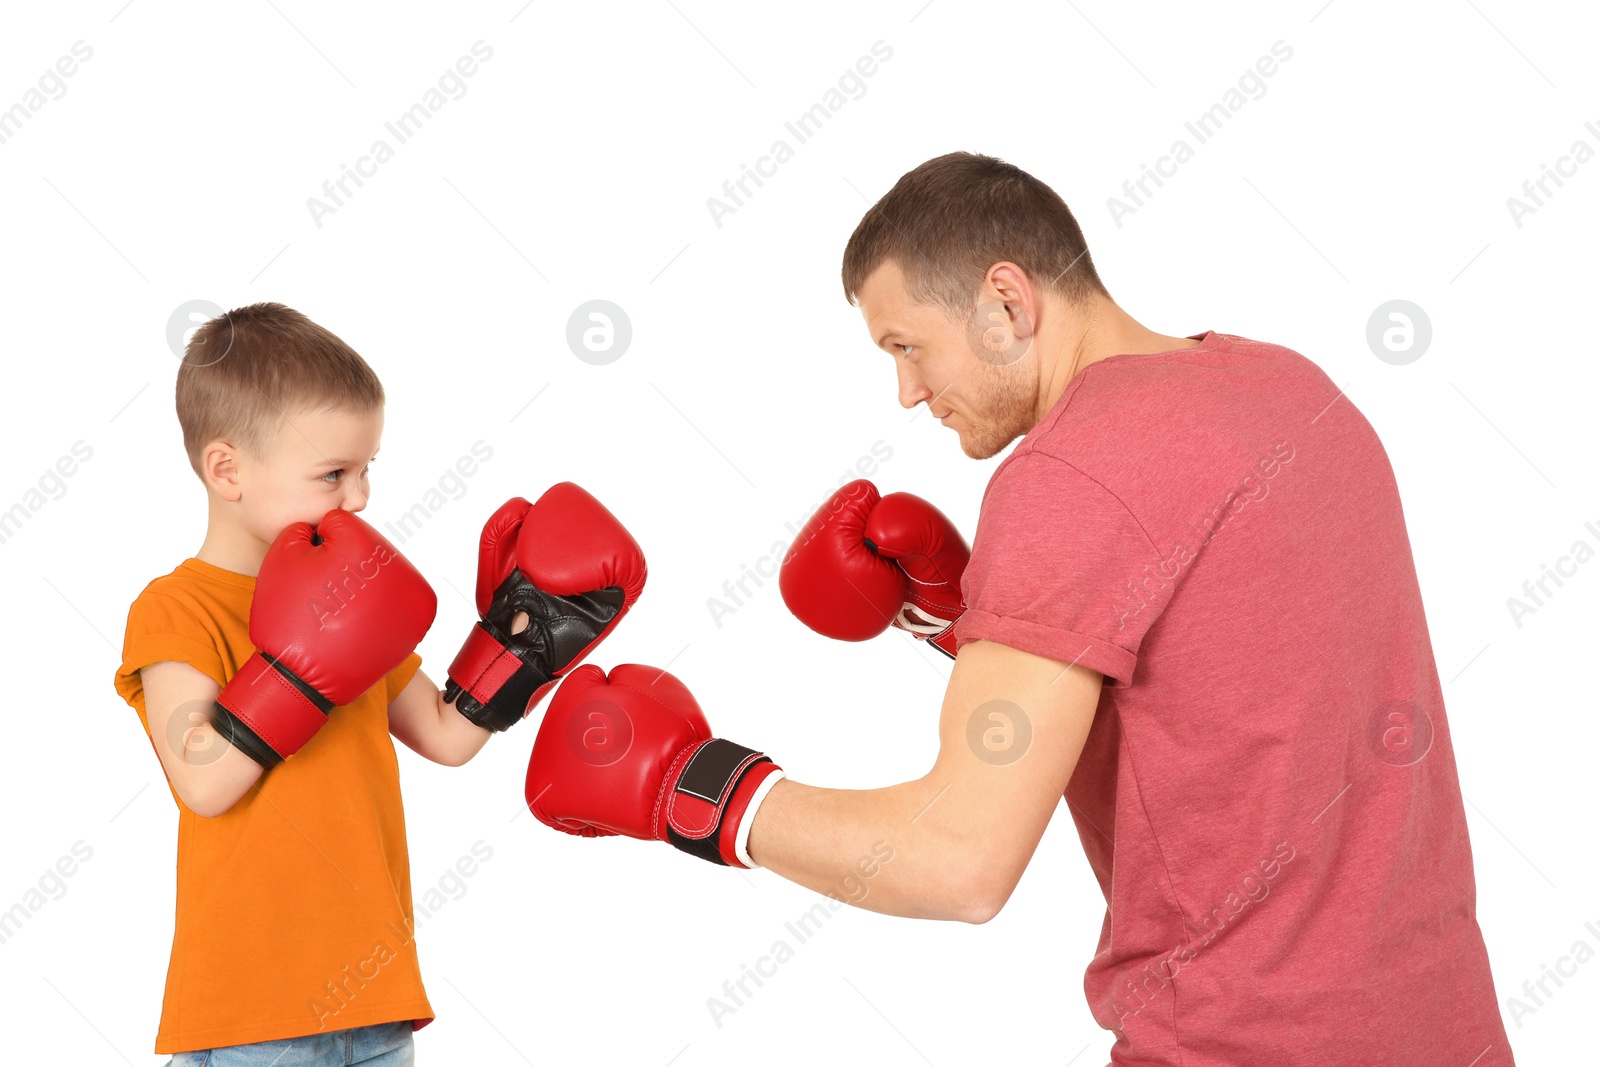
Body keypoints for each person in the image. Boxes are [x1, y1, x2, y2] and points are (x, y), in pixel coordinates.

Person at [520, 153, 1517, 1064]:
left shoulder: (1068, 474)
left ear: (1005, 300)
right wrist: (954, 616)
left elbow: (958, 860)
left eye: (908, 345)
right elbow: (1233, 674)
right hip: (1447, 1027)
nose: (907, 392)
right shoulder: (1287, 384)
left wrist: (694, 789)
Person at [113, 303, 645, 1065]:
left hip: (376, 1003)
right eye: (333, 474)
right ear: (226, 469)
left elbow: (444, 732)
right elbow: (200, 779)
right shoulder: (176, 606)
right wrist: (302, 662)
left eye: (367, 470)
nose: (359, 497)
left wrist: (524, 636)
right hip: (252, 1013)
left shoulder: (353, 596)